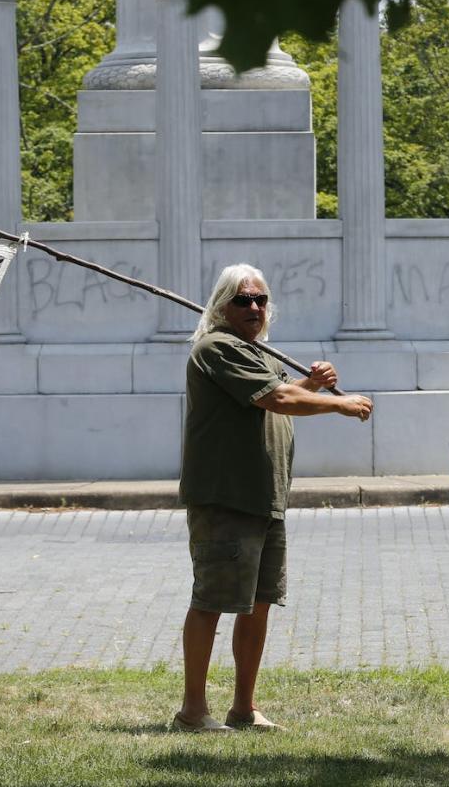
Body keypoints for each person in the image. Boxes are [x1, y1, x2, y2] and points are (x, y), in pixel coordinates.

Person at [171, 263, 374, 732]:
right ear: (222, 306)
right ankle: (192, 711)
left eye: (261, 300)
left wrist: (313, 387)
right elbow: (276, 401)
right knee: (211, 601)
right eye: (243, 300)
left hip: (265, 499)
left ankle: (243, 708)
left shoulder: (254, 353)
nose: (255, 308)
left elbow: (279, 395)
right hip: (226, 499)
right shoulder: (216, 347)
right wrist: (340, 403)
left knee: (259, 603)